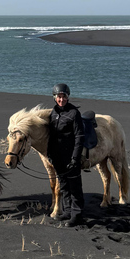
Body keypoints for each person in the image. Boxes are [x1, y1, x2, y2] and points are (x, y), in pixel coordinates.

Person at [46, 83, 85, 227]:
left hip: (70, 157)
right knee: (63, 185)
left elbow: (79, 136)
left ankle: (77, 215)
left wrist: (75, 157)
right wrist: (49, 153)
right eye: (59, 97)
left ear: (67, 97)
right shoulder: (53, 113)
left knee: (74, 186)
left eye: (63, 97)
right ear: (54, 98)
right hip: (57, 156)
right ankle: (67, 211)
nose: (61, 100)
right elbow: (51, 135)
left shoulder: (74, 113)